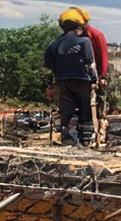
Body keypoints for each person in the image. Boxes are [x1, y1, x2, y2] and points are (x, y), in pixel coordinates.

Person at [44, 11, 97, 146]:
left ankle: (69, 141)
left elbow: (49, 63)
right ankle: (86, 141)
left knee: (67, 112)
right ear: (78, 26)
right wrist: (95, 78)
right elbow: (89, 60)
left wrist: (59, 72)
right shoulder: (85, 41)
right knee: (85, 109)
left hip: (63, 82)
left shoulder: (54, 44)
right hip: (82, 80)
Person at [65, 7, 109, 143]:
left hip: (91, 78)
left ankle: (94, 136)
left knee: (92, 107)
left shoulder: (96, 36)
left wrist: (101, 76)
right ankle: (73, 136)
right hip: (73, 78)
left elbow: (102, 57)